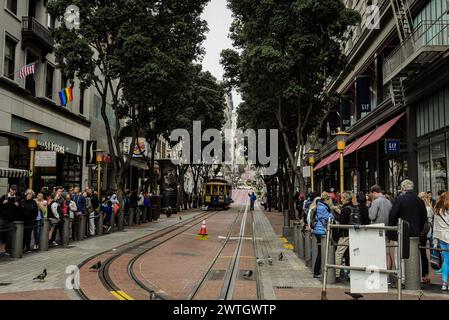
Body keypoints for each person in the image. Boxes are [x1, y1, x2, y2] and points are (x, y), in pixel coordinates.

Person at [388, 180, 427, 284]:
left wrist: (392, 227)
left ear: (403, 188)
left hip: (402, 230)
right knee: (415, 254)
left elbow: (392, 215)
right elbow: (424, 217)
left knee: (400, 255)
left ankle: (403, 278)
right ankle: (416, 277)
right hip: (415, 231)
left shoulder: (400, 199)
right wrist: (419, 227)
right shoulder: (419, 200)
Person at [334, 191, 355, 282]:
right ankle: (351, 274)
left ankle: (337, 274)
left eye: (342, 198)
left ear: (346, 199)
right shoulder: (354, 207)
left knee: (339, 254)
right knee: (351, 254)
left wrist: (338, 236)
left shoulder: (345, 209)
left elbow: (342, 223)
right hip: (354, 234)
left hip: (345, 235)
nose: (341, 199)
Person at [312, 192, 335, 278]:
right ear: (326, 199)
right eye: (330, 200)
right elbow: (329, 217)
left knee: (320, 252)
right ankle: (316, 272)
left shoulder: (320, 206)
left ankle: (317, 271)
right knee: (321, 252)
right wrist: (333, 213)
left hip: (318, 230)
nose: (330, 201)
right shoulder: (322, 207)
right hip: (321, 231)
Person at [432, 192, 449, 291]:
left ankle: (444, 283)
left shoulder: (437, 211)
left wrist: (435, 240)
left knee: (446, 260)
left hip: (441, 238)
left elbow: (435, 226)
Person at [418, 191, 434, 284]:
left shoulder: (423, 208)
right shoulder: (430, 207)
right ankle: (426, 275)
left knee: (422, 253)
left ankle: (423, 275)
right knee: (424, 253)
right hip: (428, 231)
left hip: (422, 232)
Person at [0, 185, 21, 255]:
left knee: (10, 235)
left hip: (11, 220)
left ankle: (7, 250)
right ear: (10, 189)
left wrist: (18, 206)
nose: (13, 191)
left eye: (15, 190)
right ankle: (1, 247)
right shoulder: (4, 197)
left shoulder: (17, 198)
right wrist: (2, 203)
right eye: (12, 190)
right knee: (2, 233)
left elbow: (20, 210)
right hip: (3, 219)